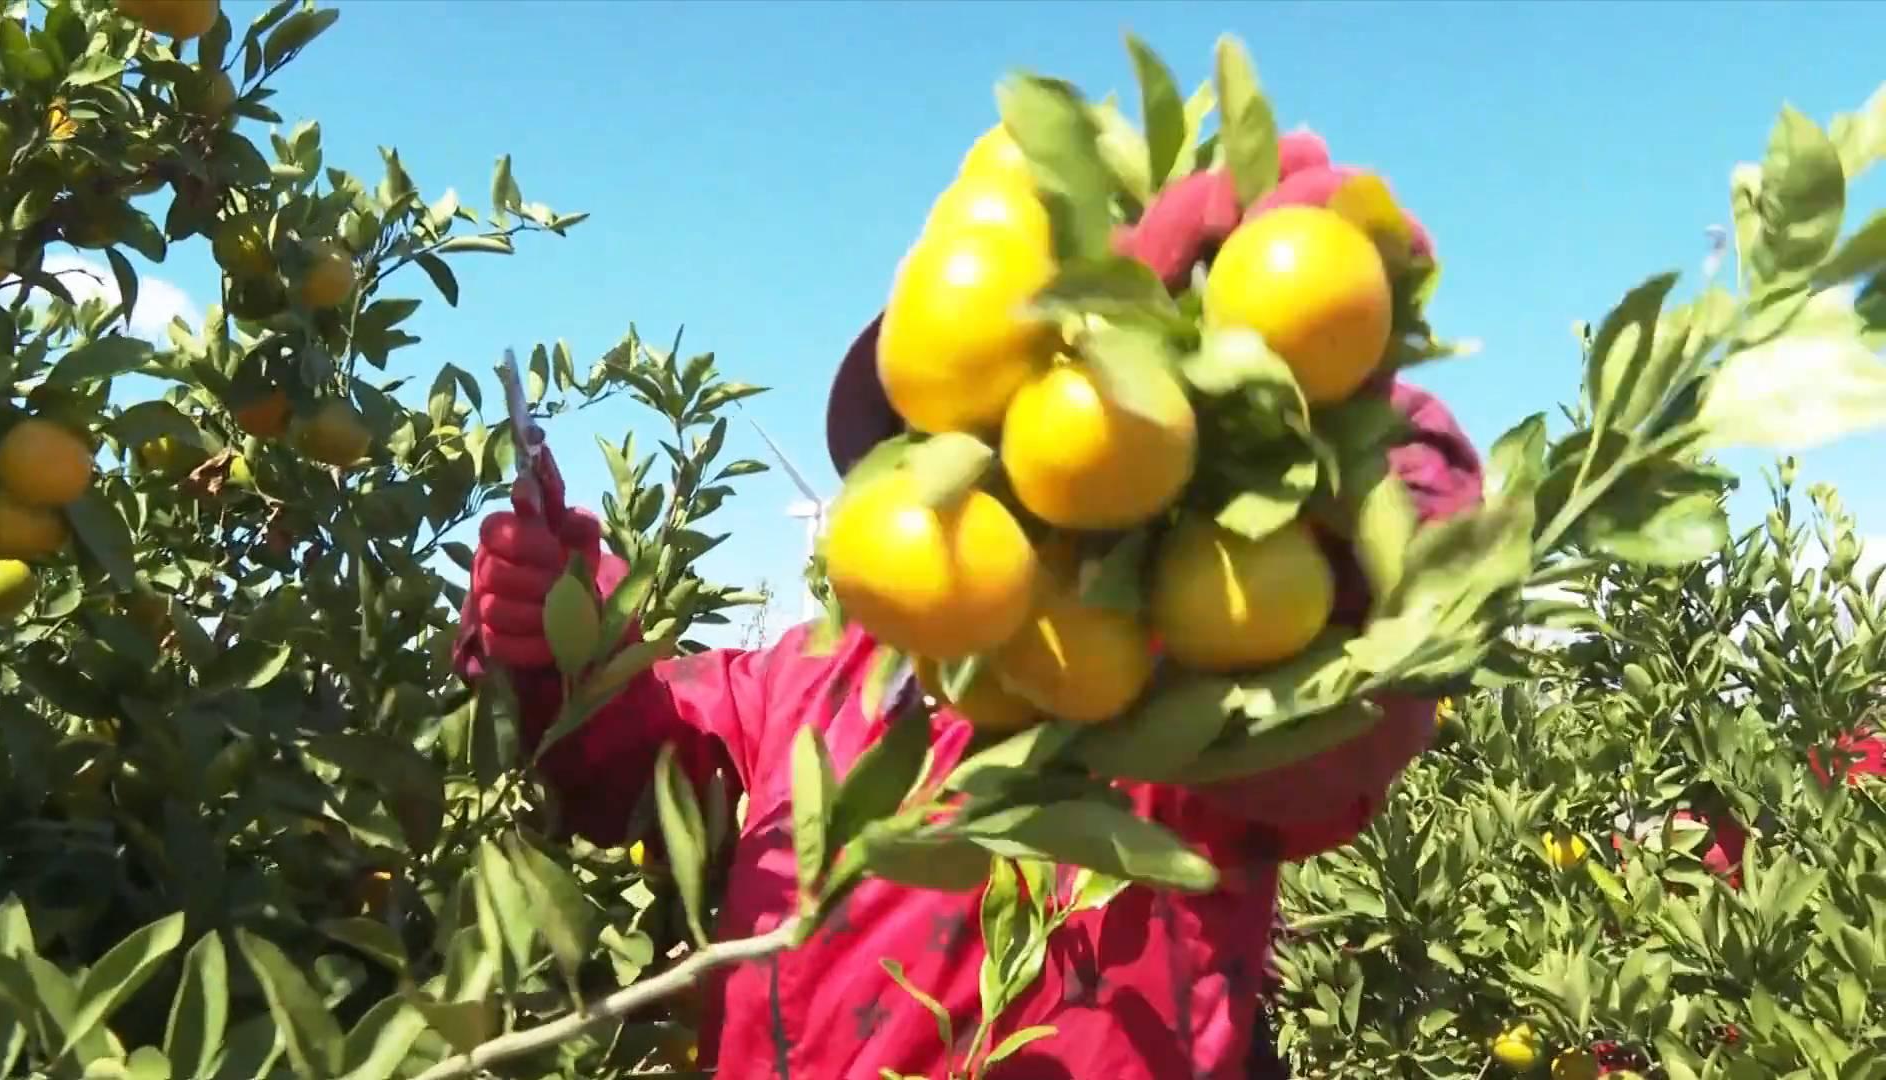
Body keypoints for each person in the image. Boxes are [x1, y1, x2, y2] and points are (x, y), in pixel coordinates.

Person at [456, 128, 1485, 1079]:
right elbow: (636, 764)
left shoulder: (1159, 690)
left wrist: (1321, 380)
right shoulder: (814, 678)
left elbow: (1355, 694)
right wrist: (562, 638)